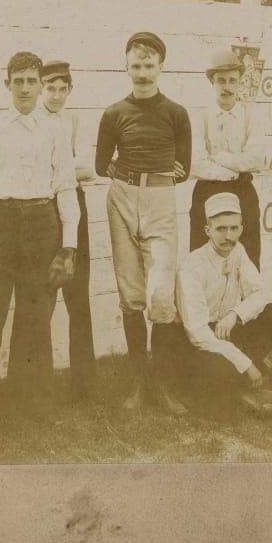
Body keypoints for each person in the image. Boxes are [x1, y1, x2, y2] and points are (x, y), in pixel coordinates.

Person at [0, 52, 78, 413]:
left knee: (35, 313)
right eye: (19, 81)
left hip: (41, 221)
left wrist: (68, 246)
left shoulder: (55, 130)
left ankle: (30, 397)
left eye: (33, 81)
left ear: (40, 84)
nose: (26, 88)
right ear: (7, 84)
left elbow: (65, 186)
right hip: (0, 222)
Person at [95, 31, 191, 415]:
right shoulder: (114, 113)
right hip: (121, 198)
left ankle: (163, 384)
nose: (142, 73)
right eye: (136, 65)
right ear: (126, 67)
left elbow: (183, 168)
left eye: (149, 66)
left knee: (161, 294)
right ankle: (140, 382)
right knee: (131, 293)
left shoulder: (176, 113)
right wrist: (128, 174)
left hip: (160, 199)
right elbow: (103, 163)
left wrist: (154, 176)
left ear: (161, 67)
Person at [174, 192, 272, 417]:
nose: (228, 236)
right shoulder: (192, 266)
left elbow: (259, 292)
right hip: (198, 343)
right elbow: (197, 333)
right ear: (208, 231)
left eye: (234, 228)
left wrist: (235, 314)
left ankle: (239, 383)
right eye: (221, 229)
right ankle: (237, 382)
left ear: (242, 229)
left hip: (226, 330)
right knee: (221, 391)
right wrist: (245, 363)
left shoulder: (238, 251)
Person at [26, 59, 98, 402]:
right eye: (50, 88)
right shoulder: (31, 120)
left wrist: (58, 169)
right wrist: (64, 170)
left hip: (74, 208)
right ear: (40, 87)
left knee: (78, 297)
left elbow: (89, 168)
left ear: (71, 89)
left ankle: (84, 384)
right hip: (42, 210)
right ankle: (40, 385)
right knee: (42, 298)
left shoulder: (74, 120)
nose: (56, 95)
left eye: (62, 89)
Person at [189, 48, 268, 270]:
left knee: (248, 258)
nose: (227, 86)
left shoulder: (251, 115)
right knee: (202, 258)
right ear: (212, 83)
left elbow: (255, 160)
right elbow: (195, 163)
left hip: (243, 191)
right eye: (221, 81)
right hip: (207, 191)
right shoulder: (201, 117)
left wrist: (220, 157)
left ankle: (248, 305)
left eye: (232, 80)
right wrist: (232, 168)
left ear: (240, 83)